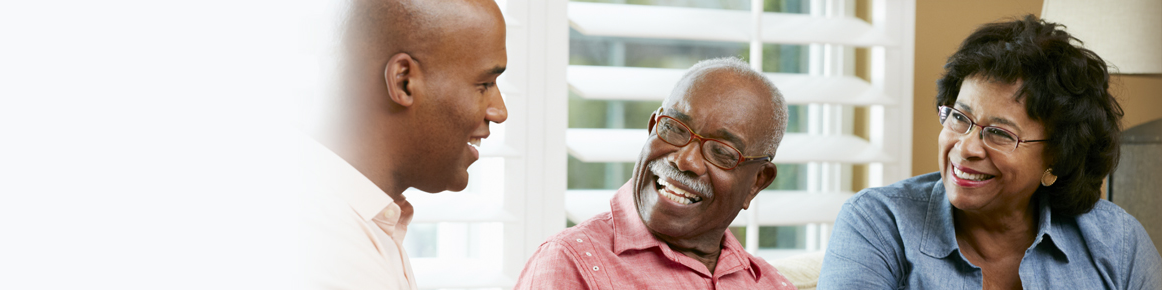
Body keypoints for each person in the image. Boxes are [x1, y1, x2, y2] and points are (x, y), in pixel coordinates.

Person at [818, 15, 1161, 289]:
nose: (965, 148)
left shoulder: (1118, 242)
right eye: (959, 117)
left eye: (998, 133)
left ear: (1057, 157)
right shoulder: (877, 223)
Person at [514, 57, 795, 289]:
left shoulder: (771, 284)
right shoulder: (572, 263)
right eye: (674, 128)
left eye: (721, 151)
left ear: (757, 182)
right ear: (652, 128)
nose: (685, 160)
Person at [306, 0, 508, 289]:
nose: (499, 112)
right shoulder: (327, 252)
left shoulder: (364, 226)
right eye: (484, 84)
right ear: (403, 81)